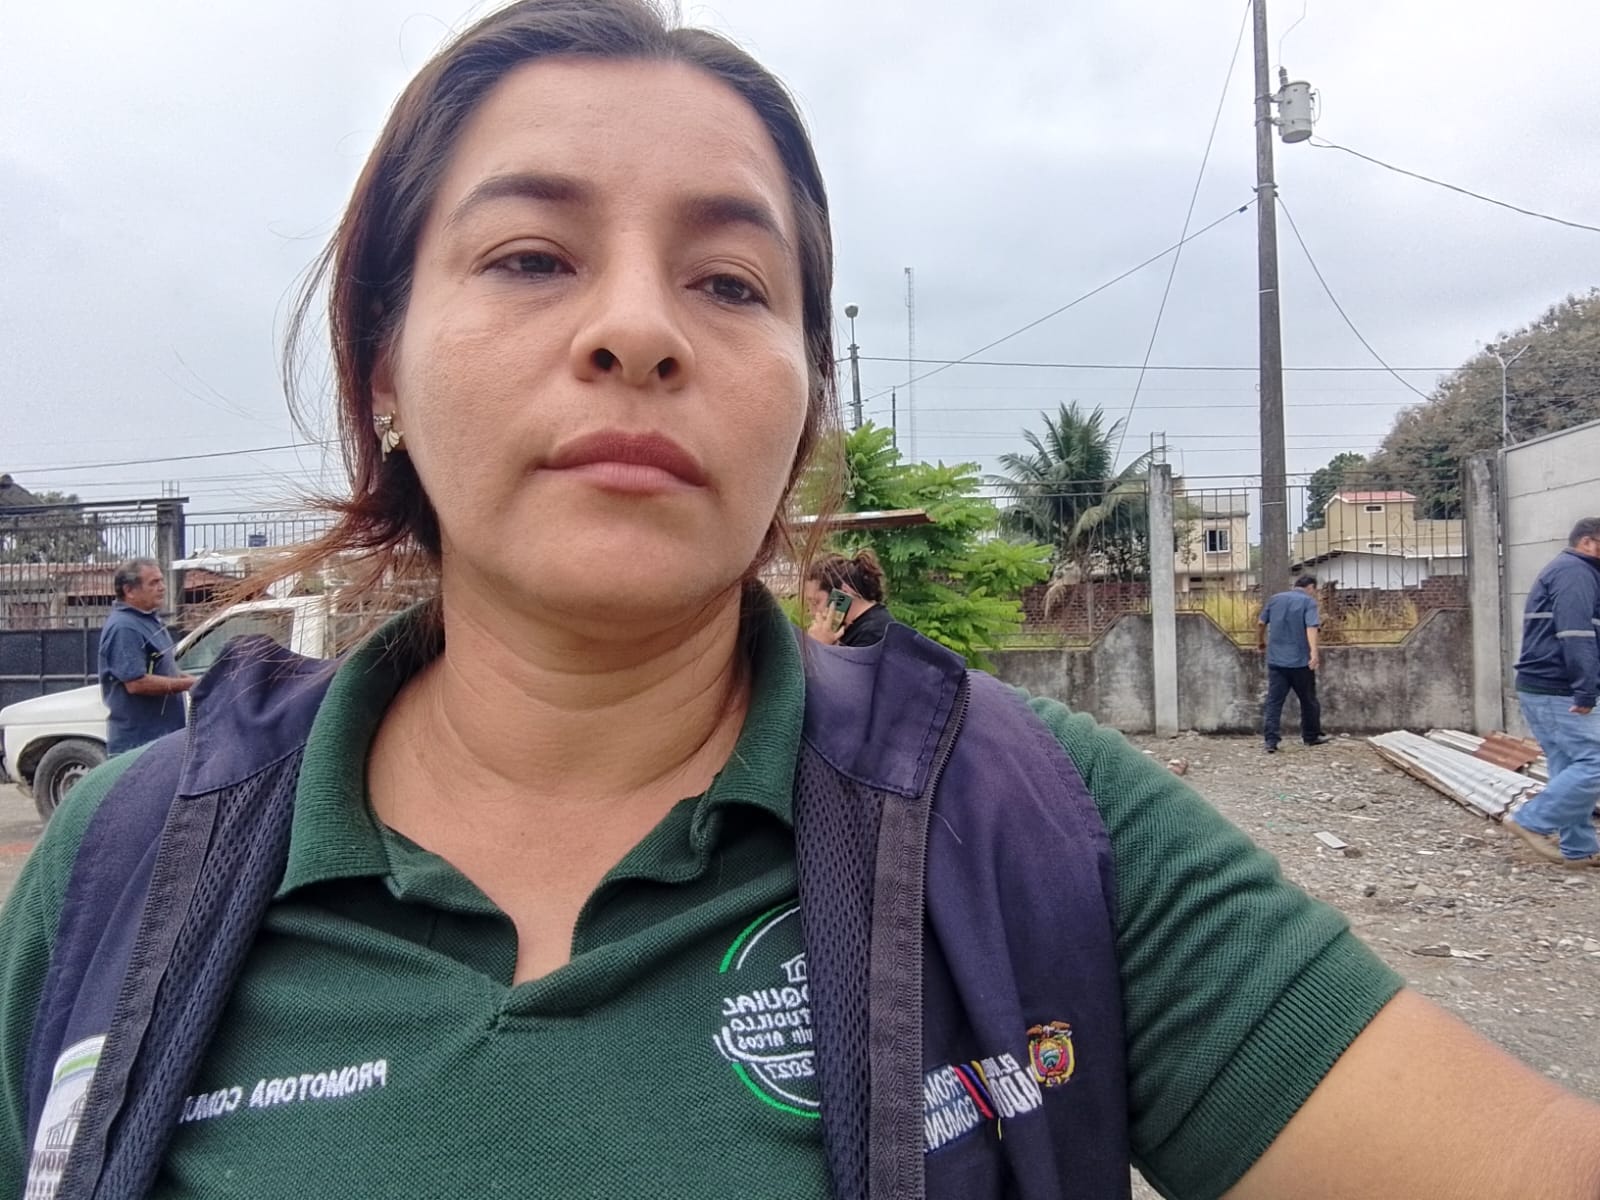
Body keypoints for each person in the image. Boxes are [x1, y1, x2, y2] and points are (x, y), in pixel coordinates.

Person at [2, 3, 1598, 1197]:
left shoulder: (1025, 823)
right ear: (383, 369)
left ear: (803, 402)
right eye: (532, 257)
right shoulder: (127, 868)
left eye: (730, 281)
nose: (639, 329)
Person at [1504, 517, 1600, 868]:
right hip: (1558, 687)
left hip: (1545, 686)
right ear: (1587, 542)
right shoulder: (1575, 573)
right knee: (1595, 761)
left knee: (1570, 765)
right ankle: (1531, 820)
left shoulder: (1575, 572)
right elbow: (1576, 635)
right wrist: (1586, 690)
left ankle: (1579, 848)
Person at [96, 557, 196, 755]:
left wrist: (199, 680)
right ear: (129, 590)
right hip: (140, 745)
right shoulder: (124, 627)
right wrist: (188, 684)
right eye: (153, 583)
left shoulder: (150, 621)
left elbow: (166, 671)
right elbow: (136, 683)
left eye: (161, 581)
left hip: (163, 740)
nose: (162, 587)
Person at [1257, 574, 1331, 754]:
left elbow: (1260, 623)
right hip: (1300, 662)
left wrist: (1260, 641)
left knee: (1274, 702)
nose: (1314, 593)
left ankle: (1271, 741)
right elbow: (1311, 627)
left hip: (1276, 660)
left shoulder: (1275, 599)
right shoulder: (1308, 602)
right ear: (1310, 587)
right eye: (1314, 590)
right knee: (1308, 700)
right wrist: (1314, 653)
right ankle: (1310, 736)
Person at [802, 548, 894, 647]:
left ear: (842, 594)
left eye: (816, 602)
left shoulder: (873, 634)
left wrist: (821, 646)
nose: (812, 612)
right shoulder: (851, 629)